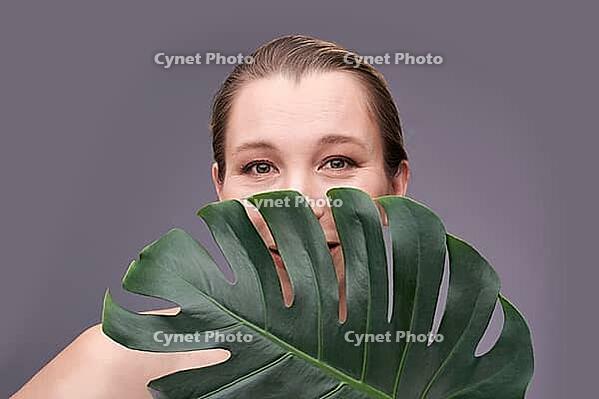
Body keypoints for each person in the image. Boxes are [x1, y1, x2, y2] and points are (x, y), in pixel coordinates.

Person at [12, 34, 410, 398]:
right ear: (220, 188)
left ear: (396, 187)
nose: (297, 203)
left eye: (337, 162)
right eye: (259, 167)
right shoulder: (116, 368)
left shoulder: (447, 380)